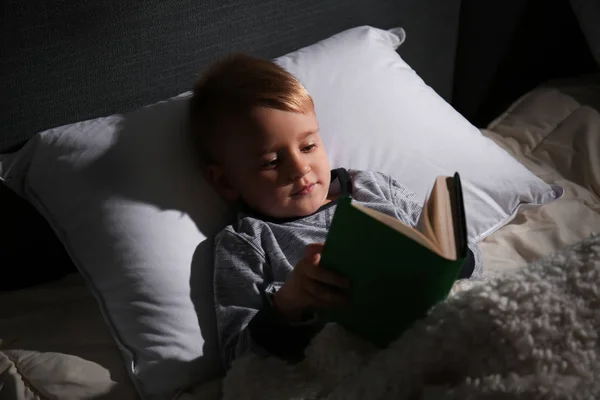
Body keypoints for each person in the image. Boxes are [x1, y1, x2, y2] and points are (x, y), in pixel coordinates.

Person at [188, 53, 481, 369]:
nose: (300, 169)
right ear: (226, 182)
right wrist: (288, 304)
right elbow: (237, 357)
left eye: (308, 146)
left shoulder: (373, 187)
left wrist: (451, 259)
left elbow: (466, 259)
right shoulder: (247, 242)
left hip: (436, 325)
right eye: (271, 162)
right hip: (354, 361)